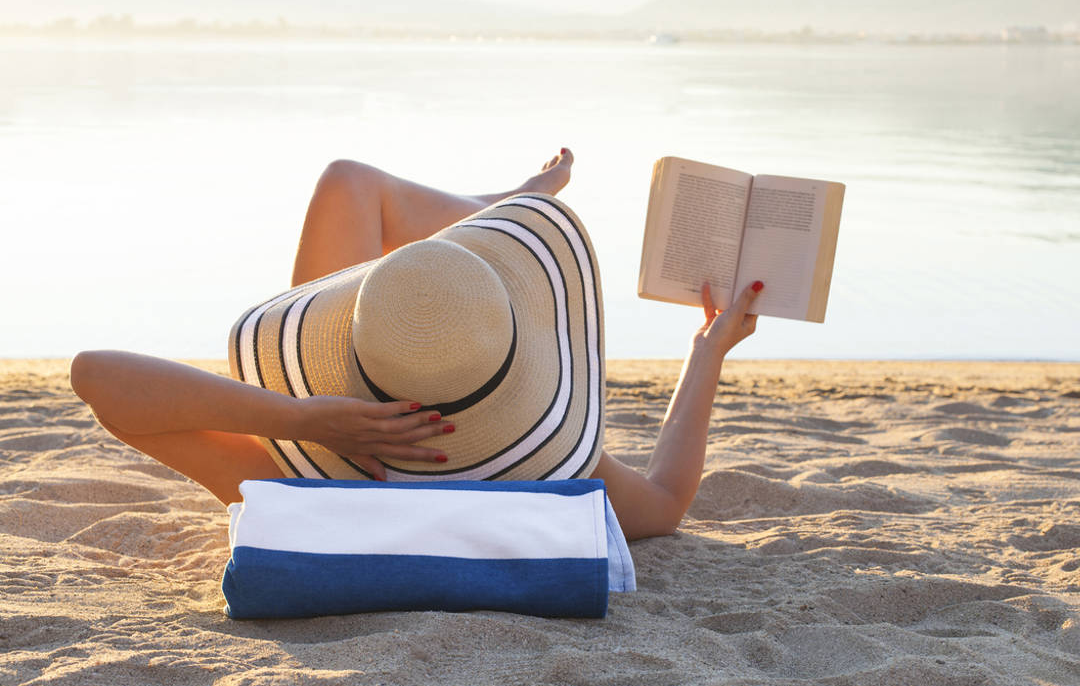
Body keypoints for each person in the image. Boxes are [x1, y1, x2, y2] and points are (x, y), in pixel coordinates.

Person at [69, 149, 762, 541]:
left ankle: (496, 219)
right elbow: (669, 501)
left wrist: (305, 418)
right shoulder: (543, 462)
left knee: (349, 182)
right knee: (362, 197)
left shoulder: (300, 479)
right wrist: (707, 350)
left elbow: (97, 378)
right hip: (414, 395)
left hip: (341, 410)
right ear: (519, 369)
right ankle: (494, 224)